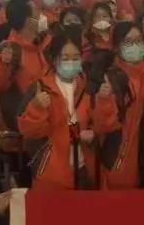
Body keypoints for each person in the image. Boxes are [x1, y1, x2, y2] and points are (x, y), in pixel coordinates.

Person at [17, 30, 94, 190]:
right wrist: (37, 108)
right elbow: (29, 132)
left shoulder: (88, 87)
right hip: (51, 173)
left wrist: (93, 132)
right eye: (65, 58)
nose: (71, 62)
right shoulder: (40, 88)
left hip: (83, 168)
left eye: (76, 58)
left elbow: (99, 121)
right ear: (54, 60)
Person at [90, 22, 144, 190]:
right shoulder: (111, 78)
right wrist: (104, 100)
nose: (135, 45)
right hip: (117, 156)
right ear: (117, 47)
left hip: (141, 156)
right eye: (128, 41)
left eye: (138, 40)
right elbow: (102, 126)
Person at [0, 0, 49, 130]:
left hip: (44, 120)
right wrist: (0, 63)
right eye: (37, 11)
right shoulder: (10, 53)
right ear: (28, 21)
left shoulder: (38, 44)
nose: (42, 14)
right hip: (25, 128)